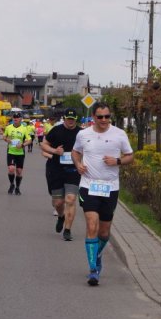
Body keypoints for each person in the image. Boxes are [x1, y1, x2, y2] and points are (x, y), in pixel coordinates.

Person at [72, 102, 134, 286]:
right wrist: (78, 164)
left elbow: (130, 156)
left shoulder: (119, 134)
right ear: (94, 117)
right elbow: (75, 152)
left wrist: (117, 161)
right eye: (100, 117)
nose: (104, 120)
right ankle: (93, 269)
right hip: (88, 185)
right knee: (92, 225)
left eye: (107, 116)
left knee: (104, 232)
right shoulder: (83, 134)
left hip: (110, 187)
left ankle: (97, 255)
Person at [41, 108, 82, 242]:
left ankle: (68, 230)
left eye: (73, 119)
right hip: (56, 170)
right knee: (58, 203)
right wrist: (54, 151)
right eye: (68, 119)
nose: (70, 121)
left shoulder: (81, 133)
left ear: (76, 120)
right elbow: (44, 145)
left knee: (70, 199)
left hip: (73, 171)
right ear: (64, 118)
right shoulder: (56, 130)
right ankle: (61, 216)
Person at [3, 112, 32, 195]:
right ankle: (12, 184)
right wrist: (7, 140)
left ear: (20, 119)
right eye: (14, 117)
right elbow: (4, 136)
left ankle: (17, 187)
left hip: (20, 153)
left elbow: (29, 140)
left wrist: (22, 145)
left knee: (19, 172)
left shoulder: (24, 128)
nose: (15, 119)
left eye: (17, 117)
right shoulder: (8, 127)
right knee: (11, 169)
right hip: (11, 152)